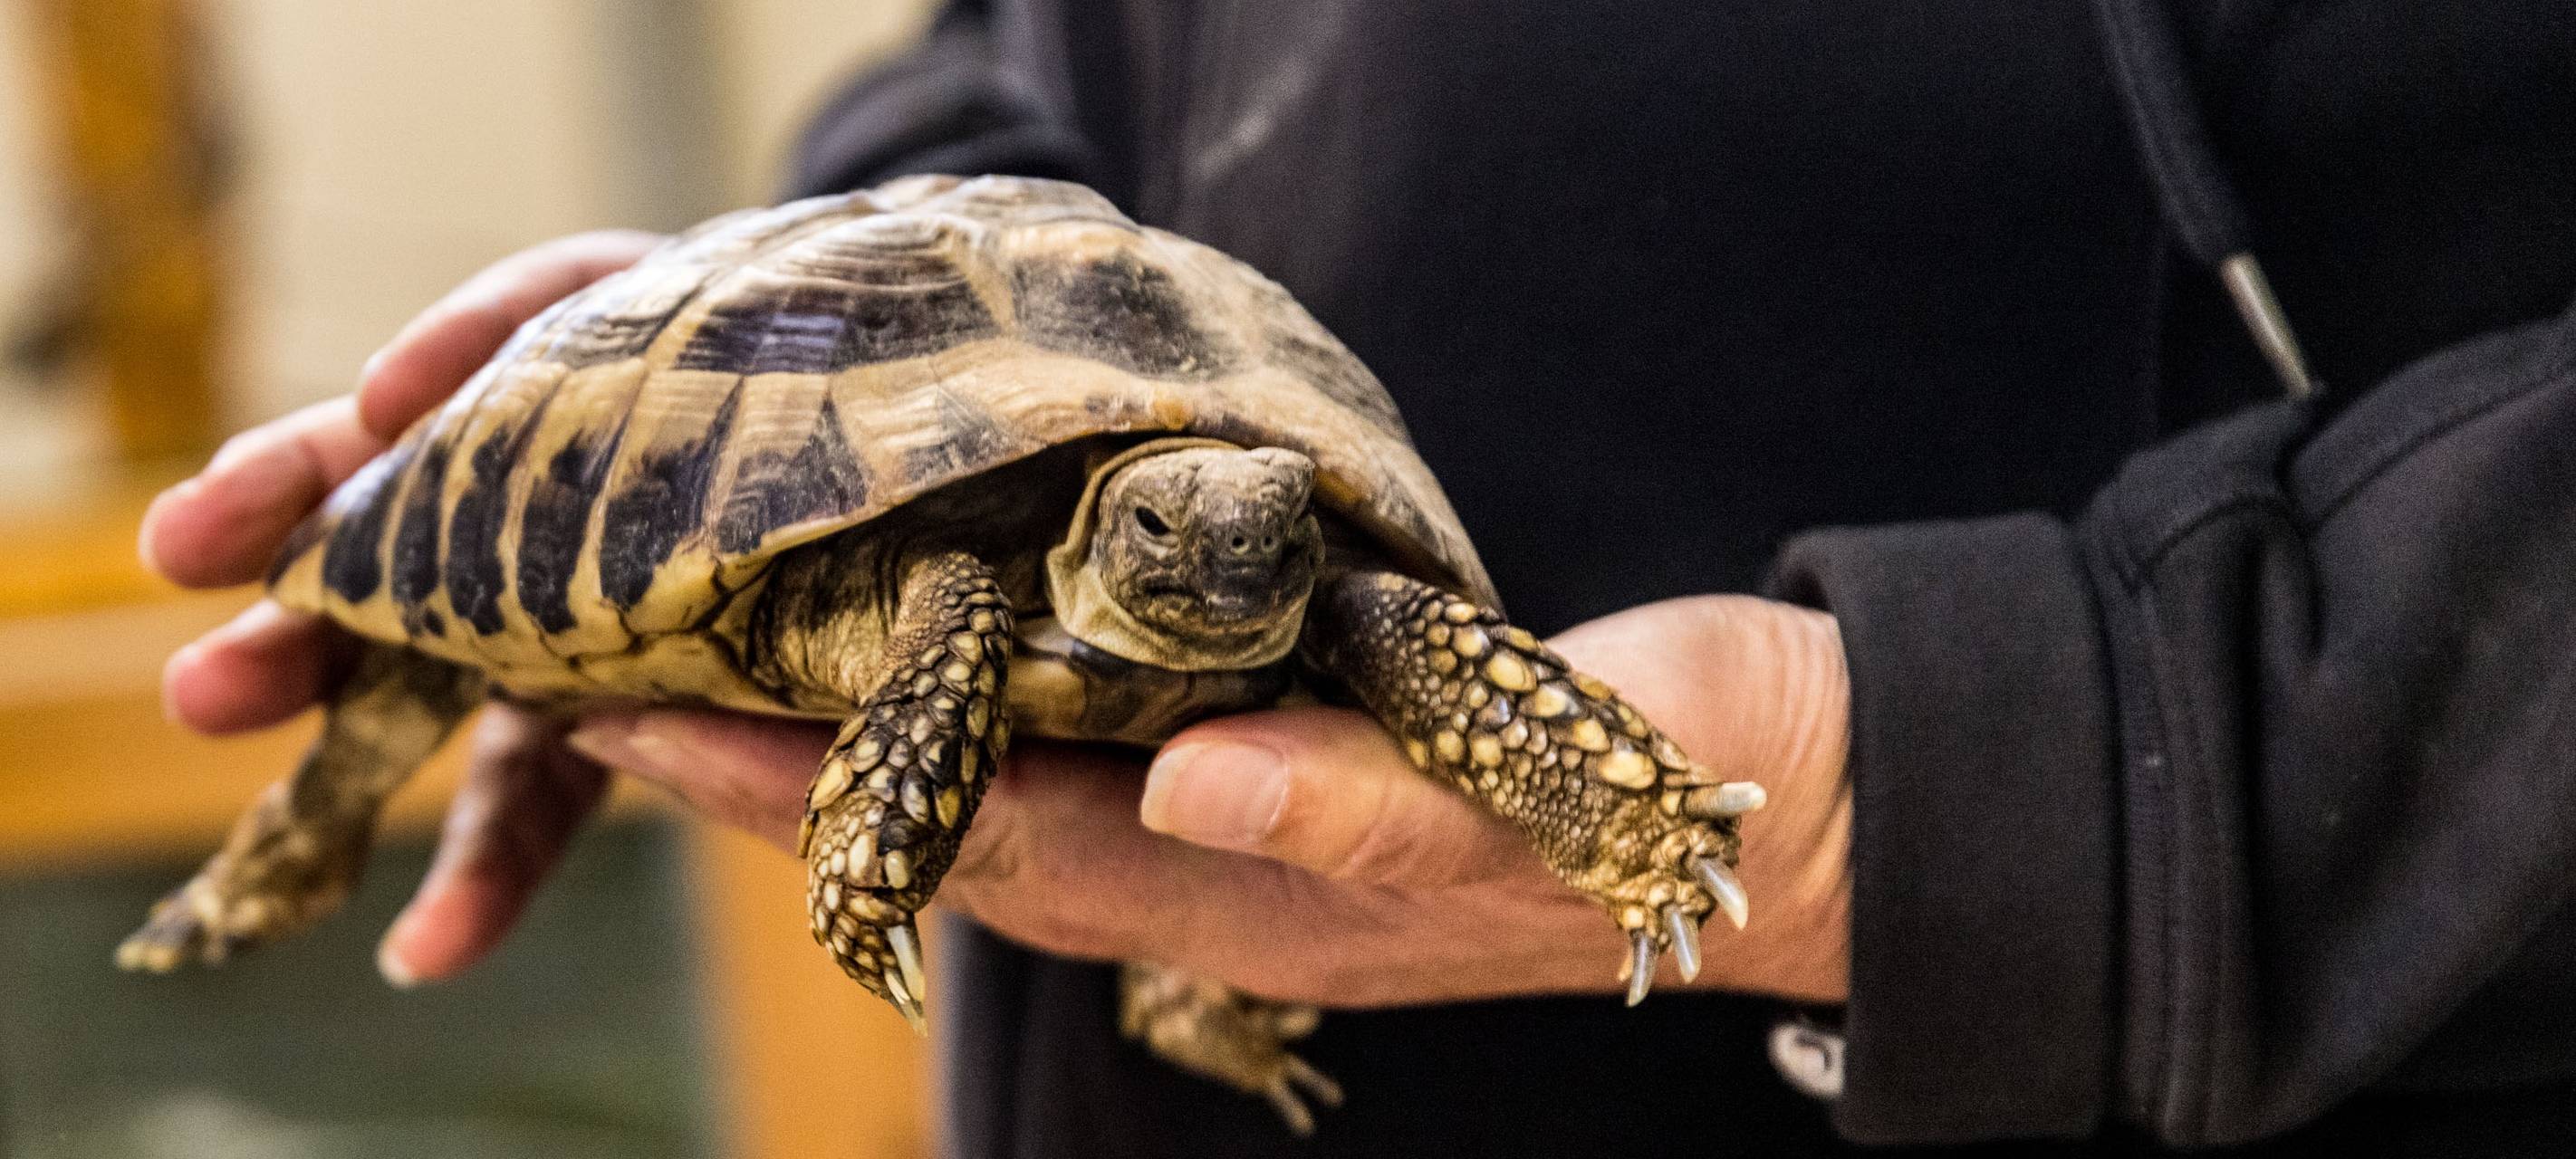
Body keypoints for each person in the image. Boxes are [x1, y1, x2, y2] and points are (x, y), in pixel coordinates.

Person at [140, 0, 2576, 1154]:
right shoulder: (1013, 552)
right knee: (411, 673)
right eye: (1176, 537)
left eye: (1249, 543)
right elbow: (1029, 39)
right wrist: (834, 238)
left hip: (2224, 1042)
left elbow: (1389, 623)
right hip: (1129, 1050)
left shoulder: (1310, 586)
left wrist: (1917, 793)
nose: (1233, 559)